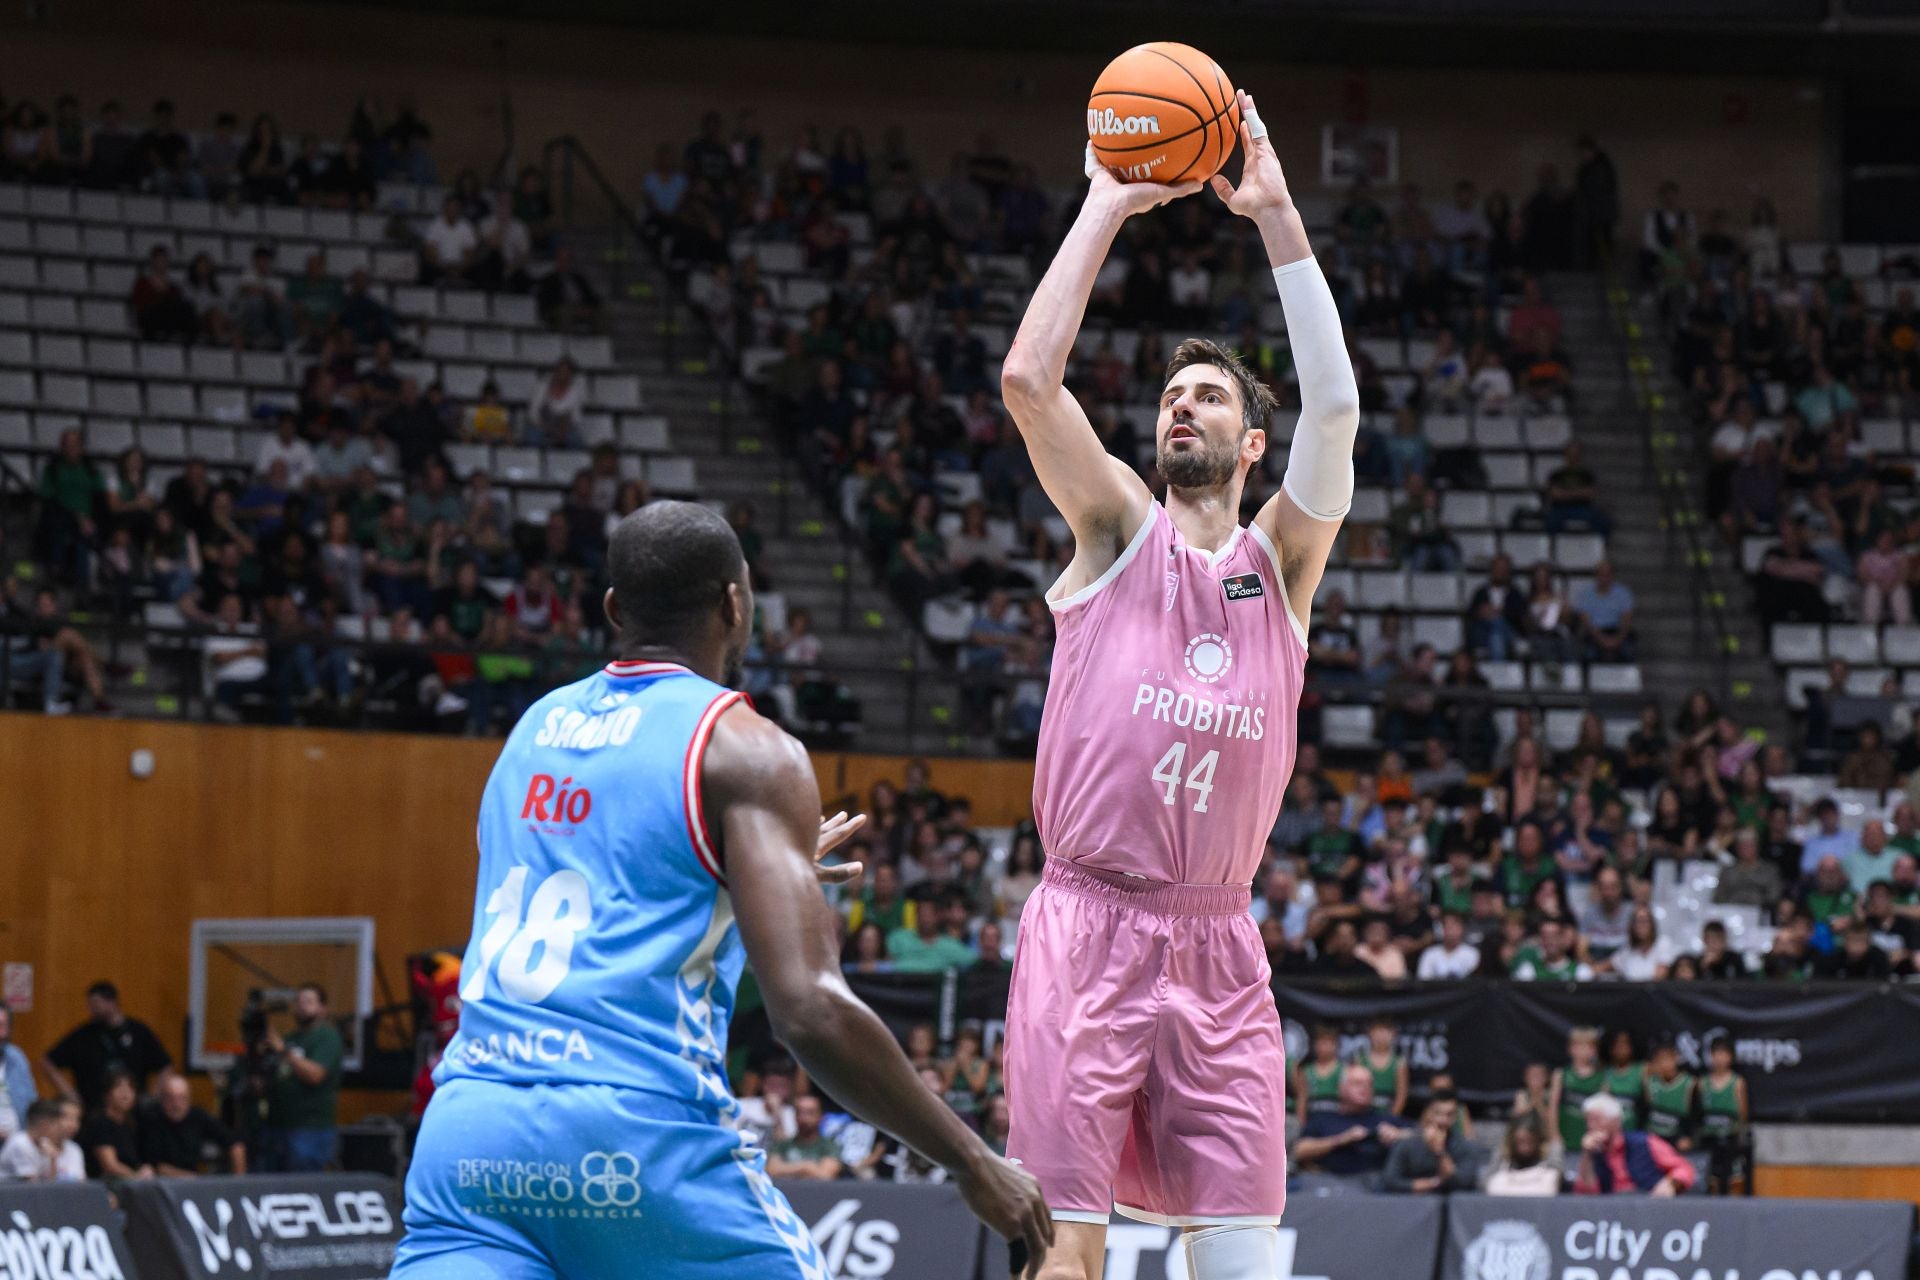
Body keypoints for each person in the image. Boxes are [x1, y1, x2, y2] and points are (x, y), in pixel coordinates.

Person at [391, 501, 1048, 1279]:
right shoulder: (745, 750)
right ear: (737, 606)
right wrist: (973, 1162)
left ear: (612, 610)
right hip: (629, 1137)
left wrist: (754, 876)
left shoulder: (532, 730)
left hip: (469, 1139)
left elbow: (620, 876)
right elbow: (808, 1010)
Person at [997, 93, 1358, 1280]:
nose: (1180, 404)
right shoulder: (1112, 530)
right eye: (1170, 395)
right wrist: (1106, 201)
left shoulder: (1282, 566)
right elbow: (1029, 382)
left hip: (1218, 945)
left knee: (1246, 1261)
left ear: (1254, 443)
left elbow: (1341, 410)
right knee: (1066, 1259)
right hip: (1087, 928)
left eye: (1207, 395)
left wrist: (1279, 218)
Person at [43, 981, 171, 1113]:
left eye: (96, 1005)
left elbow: (165, 1065)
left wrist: (154, 1096)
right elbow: (48, 1062)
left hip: (133, 1112)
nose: (92, 1010)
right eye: (90, 1005)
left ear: (112, 1002)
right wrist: (69, 1093)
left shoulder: (138, 1032)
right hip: (93, 1110)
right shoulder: (83, 1035)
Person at [257, 983, 342, 1172]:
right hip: (277, 1126)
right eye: (299, 1001)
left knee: (303, 1185)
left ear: (323, 1008)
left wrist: (283, 1051)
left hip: (309, 1128)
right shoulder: (289, 1038)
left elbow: (315, 1076)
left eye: (309, 1001)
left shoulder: (327, 1037)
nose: (302, 1006)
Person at [1290, 1063, 1410, 1180]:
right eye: (1358, 1084)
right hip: (1330, 1183)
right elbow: (1298, 1151)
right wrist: (1340, 1140)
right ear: (1341, 1088)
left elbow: (1422, 1135)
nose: (1365, 1088)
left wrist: (1398, 1134)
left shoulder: (1385, 1119)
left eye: (1369, 1084)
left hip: (1378, 1185)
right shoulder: (1323, 1119)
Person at [1573, 1093, 1695, 1196]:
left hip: (1648, 1207)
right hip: (1612, 1213)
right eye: (1588, 1120)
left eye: (1597, 1120)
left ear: (1616, 1121)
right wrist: (1586, 1155)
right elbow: (1586, 1194)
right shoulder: (1593, 1153)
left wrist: (1670, 1184)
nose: (1591, 1126)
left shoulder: (1645, 1141)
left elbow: (1684, 1168)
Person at [139, 1069, 246, 1176]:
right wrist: (193, 1179)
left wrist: (239, 1182)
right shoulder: (152, 1119)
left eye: (182, 1098)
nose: (176, 1104)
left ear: (189, 1099)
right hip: (161, 1184)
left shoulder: (197, 1116)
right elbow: (155, 1165)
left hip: (193, 1181)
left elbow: (235, 1144)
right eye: (170, 1098)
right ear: (162, 1099)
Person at [1382, 1098, 1478, 1194]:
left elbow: (1464, 1182)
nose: (1443, 1120)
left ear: (1455, 1118)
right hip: (1412, 1200)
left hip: (1451, 1200)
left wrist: (1439, 1150)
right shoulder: (1407, 1143)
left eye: (1449, 1115)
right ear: (1428, 1114)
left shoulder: (1465, 1146)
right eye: (1438, 1114)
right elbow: (1391, 1180)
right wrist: (1432, 1183)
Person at [1696, 1036, 1750, 1194]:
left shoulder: (1738, 1083)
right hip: (1708, 1140)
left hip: (1729, 1140)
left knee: (1731, 1179)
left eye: (1724, 1054)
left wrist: (1739, 1136)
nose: (1720, 1058)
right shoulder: (1701, 1083)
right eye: (1716, 1054)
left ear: (1731, 1057)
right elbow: (1697, 1114)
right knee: (1709, 1179)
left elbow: (1743, 1115)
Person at [79, 1069, 151, 1180]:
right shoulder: (99, 1122)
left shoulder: (131, 1123)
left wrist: (145, 1169)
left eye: (130, 1088)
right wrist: (136, 1176)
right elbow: (110, 1166)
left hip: (130, 1181)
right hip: (105, 1183)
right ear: (107, 1094)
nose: (126, 1093)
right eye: (119, 1087)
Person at [0, 1098, 84, 1183]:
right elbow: (32, 1187)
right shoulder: (20, 1143)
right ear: (44, 1125)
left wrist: (53, 1159)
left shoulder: (44, 1145)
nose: (58, 1129)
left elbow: (50, 1185)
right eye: (55, 1125)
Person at [1550, 1027, 1605, 1153]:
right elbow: (1553, 1107)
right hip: (1565, 1137)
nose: (1582, 1051)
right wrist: (1554, 1134)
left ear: (1595, 1050)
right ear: (1570, 1049)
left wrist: (1597, 1135)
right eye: (1578, 1046)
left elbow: (1602, 1111)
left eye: (1588, 1046)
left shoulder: (1602, 1077)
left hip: (1589, 1139)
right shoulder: (1561, 1074)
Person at [763, 1095, 843, 1181]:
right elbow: (771, 1171)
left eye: (810, 1113)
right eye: (800, 1113)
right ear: (794, 1116)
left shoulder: (830, 1145)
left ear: (821, 1117)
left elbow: (825, 1175)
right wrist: (805, 1167)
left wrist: (786, 1169)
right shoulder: (782, 1145)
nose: (804, 1118)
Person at [1486, 1119, 1560, 1196]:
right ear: (1511, 1143)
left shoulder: (1549, 1173)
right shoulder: (1499, 1174)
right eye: (1520, 1142)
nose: (1524, 1148)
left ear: (1538, 1142)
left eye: (1529, 1142)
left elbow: (1555, 1144)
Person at [1352, 1017, 1409, 1116]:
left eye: (1386, 1032)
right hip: (1363, 1113)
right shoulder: (1360, 1061)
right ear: (1369, 1034)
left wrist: (1392, 1117)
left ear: (1393, 1035)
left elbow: (1402, 1095)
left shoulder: (1399, 1063)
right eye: (1377, 1031)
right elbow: (1353, 1091)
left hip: (1388, 1112)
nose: (1381, 1036)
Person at [1291, 1025, 1345, 1126]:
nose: (1324, 1046)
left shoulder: (1344, 1070)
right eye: (1321, 1042)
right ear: (1314, 1045)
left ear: (1337, 1045)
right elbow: (1302, 1100)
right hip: (1313, 1120)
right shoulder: (1306, 1071)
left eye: (1329, 1042)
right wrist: (1300, 1125)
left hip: (1338, 1119)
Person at [0, 1007, 35, 1134]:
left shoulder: (16, 1056)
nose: (1, 1034)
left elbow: (31, 1101)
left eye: (4, 1026)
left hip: (17, 1141)